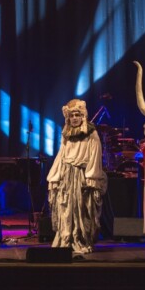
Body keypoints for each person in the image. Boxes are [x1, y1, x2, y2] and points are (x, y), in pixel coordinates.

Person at [46, 99, 106, 255]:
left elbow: (95, 155)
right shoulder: (66, 133)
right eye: (71, 115)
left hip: (81, 175)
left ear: (83, 116)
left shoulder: (91, 133)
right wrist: (55, 176)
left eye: (77, 115)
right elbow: (61, 154)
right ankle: (66, 239)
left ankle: (80, 239)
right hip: (67, 175)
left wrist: (91, 177)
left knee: (81, 209)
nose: (74, 118)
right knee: (65, 207)